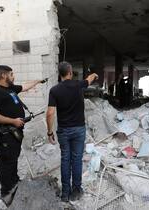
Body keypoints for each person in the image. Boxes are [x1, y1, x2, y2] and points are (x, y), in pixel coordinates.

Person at [0, 65, 42, 206]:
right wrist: (13, 121)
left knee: (11, 157)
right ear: (4, 75)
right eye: (11, 74)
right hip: (5, 133)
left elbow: (25, 86)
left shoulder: (10, 89)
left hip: (13, 133)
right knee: (7, 160)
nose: (13, 76)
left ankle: (13, 180)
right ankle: (7, 192)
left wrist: (38, 81)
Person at [46, 61, 98, 202]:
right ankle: (76, 190)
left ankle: (65, 194)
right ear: (70, 73)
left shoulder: (54, 90)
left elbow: (50, 113)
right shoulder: (78, 85)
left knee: (65, 160)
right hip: (78, 129)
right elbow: (89, 79)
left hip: (63, 131)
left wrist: (50, 132)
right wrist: (93, 74)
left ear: (60, 74)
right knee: (76, 160)